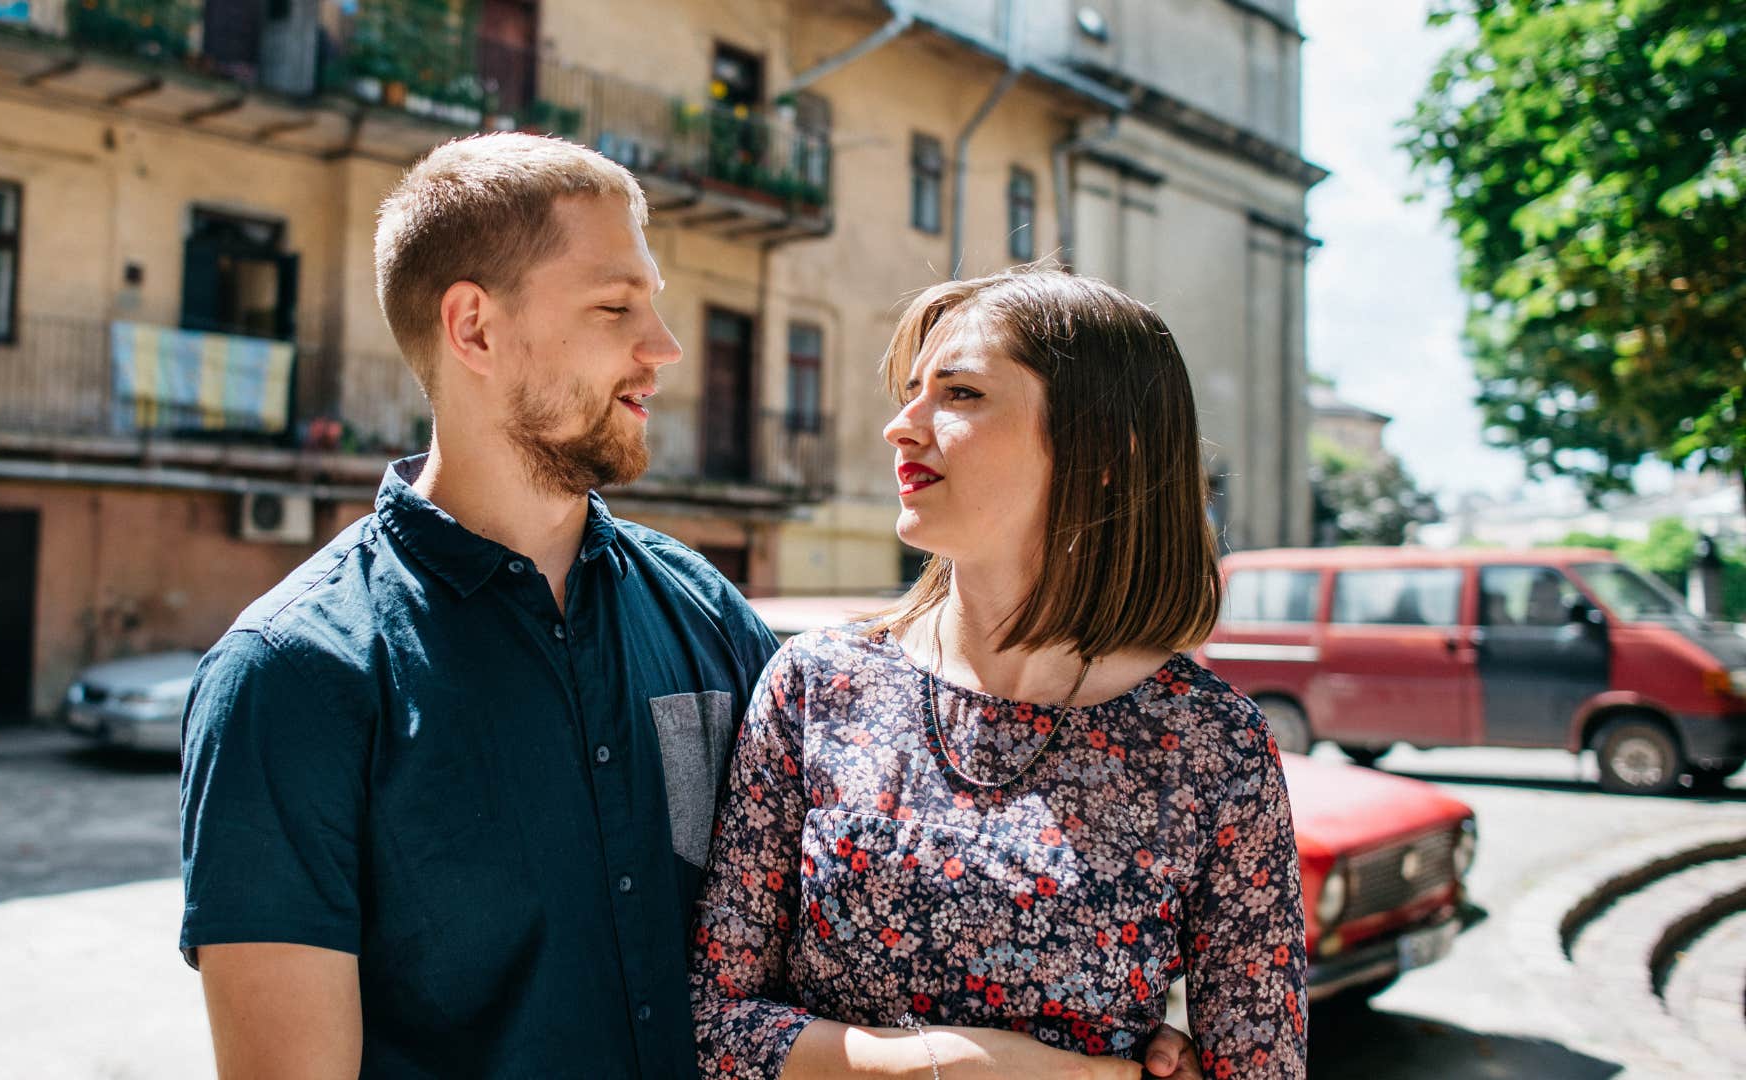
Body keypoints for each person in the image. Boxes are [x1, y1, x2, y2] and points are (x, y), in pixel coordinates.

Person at [179, 133, 1208, 1079]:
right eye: (616, 308)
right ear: (474, 327)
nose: (664, 347)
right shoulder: (290, 676)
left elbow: (863, 900)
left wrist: (1080, 1011)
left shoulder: (706, 614)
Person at [690, 269, 1308, 1078]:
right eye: (912, 391)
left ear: (1104, 451)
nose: (901, 428)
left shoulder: (1213, 747)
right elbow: (711, 1024)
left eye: (960, 394)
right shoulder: (818, 686)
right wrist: (940, 1066)